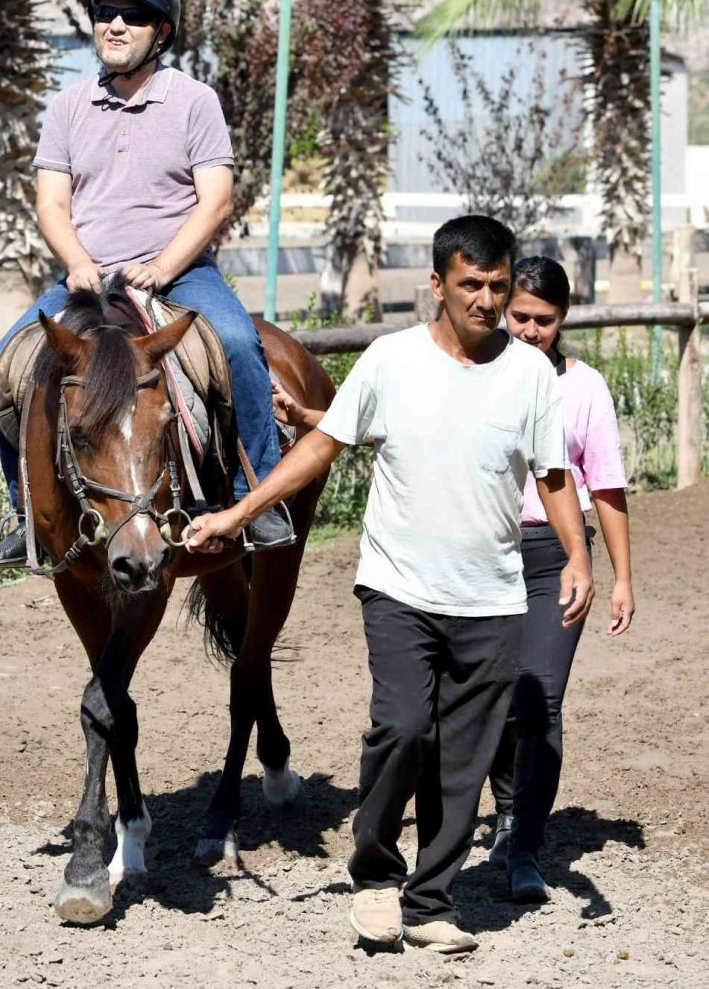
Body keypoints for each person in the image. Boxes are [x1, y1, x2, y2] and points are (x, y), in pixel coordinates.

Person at [184, 214, 594, 954]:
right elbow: (320, 446)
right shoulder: (389, 359)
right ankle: (376, 878)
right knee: (402, 728)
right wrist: (240, 512)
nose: (488, 300)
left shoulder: (532, 373)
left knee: (463, 761)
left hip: (492, 597)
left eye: (498, 286)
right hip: (400, 588)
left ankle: (430, 898)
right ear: (436, 284)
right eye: (472, 284)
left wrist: (579, 556)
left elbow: (554, 475)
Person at [0, 0, 291, 568]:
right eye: (105, 13)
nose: (115, 25)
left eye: (134, 16)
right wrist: (76, 262)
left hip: (180, 272)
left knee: (237, 344)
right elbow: (52, 202)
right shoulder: (69, 106)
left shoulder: (194, 102)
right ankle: (24, 514)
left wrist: (165, 266)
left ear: (162, 33)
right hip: (87, 278)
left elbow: (216, 200)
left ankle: (261, 495)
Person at [486, 256, 635, 903]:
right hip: (481, 556)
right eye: (520, 316)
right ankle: (503, 806)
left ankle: (523, 843)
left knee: (541, 699)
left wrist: (622, 575)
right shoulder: (470, 375)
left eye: (544, 321)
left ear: (562, 320)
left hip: (554, 558)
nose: (530, 330)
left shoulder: (586, 388)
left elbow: (604, 484)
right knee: (487, 695)